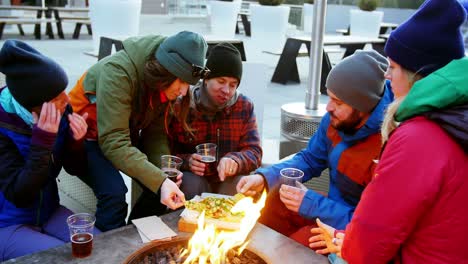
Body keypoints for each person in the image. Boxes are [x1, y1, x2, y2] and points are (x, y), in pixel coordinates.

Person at [309, 0, 468, 262]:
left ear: (419, 73)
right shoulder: (454, 119)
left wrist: (344, 242)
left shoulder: (417, 138)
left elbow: (368, 244)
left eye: (392, 67)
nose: (386, 76)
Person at [236, 50, 393, 246]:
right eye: (329, 98)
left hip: (350, 232)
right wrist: (264, 178)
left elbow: (373, 226)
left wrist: (311, 204)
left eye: (338, 102)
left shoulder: (389, 145)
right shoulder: (335, 120)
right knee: (272, 199)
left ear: (363, 106)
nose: (328, 108)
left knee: (296, 245)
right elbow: (310, 159)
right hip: (328, 207)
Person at [68, 31, 208, 231]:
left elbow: (155, 134)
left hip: (121, 133)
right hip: (82, 139)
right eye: (182, 82)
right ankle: (109, 252)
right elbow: (113, 142)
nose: (184, 92)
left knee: (161, 184)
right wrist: (159, 180)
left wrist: (162, 172)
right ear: (166, 72)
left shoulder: (160, 82)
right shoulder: (117, 71)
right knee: (114, 194)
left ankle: (136, 238)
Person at [127, 43, 262, 219]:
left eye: (233, 84)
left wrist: (235, 160)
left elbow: (255, 151)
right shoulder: (182, 103)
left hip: (227, 180)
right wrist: (188, 161)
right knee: (188, 184)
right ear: (206, 79)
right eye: (220, 82)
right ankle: (185, 234)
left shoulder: (244, 105)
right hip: (194, 180)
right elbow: (164, 151)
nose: (226, 91)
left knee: (240, 188)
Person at [0, 40, 90, 261]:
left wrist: (76, 143)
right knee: (64, 259)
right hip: (9, 223)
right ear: (34, 103)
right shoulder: (4, 125)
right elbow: (19, 195)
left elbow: (73, 168)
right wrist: (41, 143)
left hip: (49, 212)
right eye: (58, 96)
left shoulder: (57, 111)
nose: (67, 99)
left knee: (97, 248)